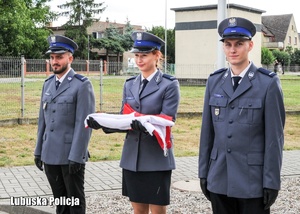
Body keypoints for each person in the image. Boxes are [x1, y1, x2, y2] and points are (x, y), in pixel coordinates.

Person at [198, 17, 285, 214]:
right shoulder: (214, 82)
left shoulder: (267, 83)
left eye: (239, 44)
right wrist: (204, 172)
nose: (233, 50)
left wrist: (271, 181)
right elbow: (207, 133)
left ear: (250, 45)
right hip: (219, 176)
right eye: (227, 44)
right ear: (223, 48)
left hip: (252, 181)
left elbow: (275, 138)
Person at [87, 31, 180, 214]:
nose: (139, 60)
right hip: (132, 157)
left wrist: (143, 123)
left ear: (156, 55)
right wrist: (104, 124)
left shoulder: (169, 85)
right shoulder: (130, 84)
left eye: (144, 55)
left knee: (157, 209)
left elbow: (168, 119)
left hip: (155, 157)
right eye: (136, 55)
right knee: (138, 209)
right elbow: (124, 118)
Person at [34, 35, 95, 214]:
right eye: (52, 57)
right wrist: (39, 151)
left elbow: (84, 124)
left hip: (70, 155)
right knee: (60, 202)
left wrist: (77, 155)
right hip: (50, 153)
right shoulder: (48, 84)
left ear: (70, 58)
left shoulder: (82, 85)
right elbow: (42, 121)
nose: (55, 61)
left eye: (59, 57)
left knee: (75, 201)